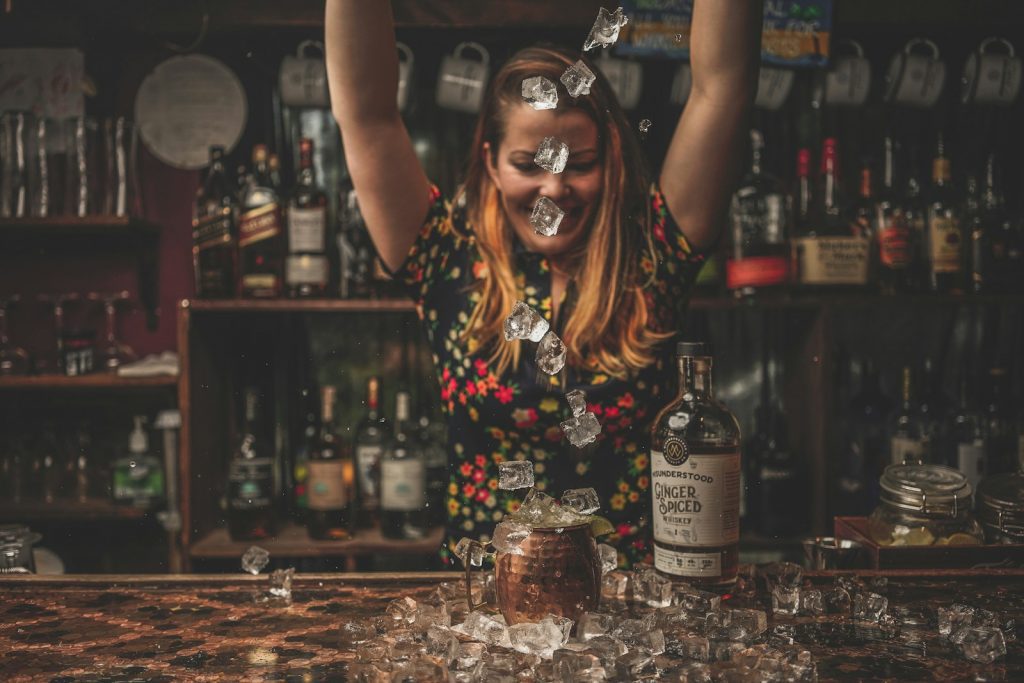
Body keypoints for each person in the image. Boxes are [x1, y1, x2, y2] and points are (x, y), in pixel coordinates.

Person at [326, 0, 762, 567]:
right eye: (529, 163)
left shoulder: (653, 249)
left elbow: (721, 90)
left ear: (610, 160)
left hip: (630, 607)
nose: (553, 190)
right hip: (487, 607)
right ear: (490, 161)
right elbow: (367, 114)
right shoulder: (443, 255)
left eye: (578, 162)